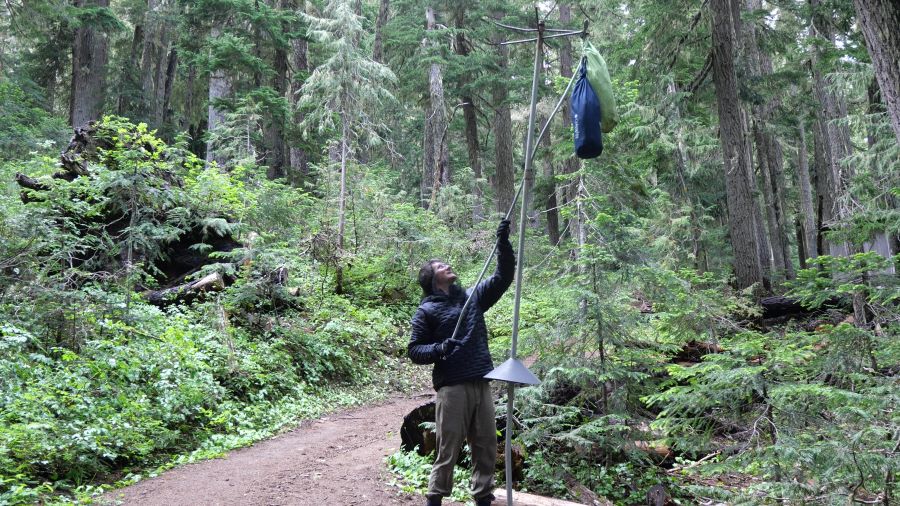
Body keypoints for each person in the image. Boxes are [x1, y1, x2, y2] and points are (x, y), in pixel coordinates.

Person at [408, 219, 515, 506]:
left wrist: (503, 244)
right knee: (448, 447)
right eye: (441, 266)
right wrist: (440, 348)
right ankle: (435, 498)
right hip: (452, 387)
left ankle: (483, 497)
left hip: (481, 381)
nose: (447, 266)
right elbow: (415, 350)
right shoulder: (426, 311)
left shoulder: (472, 299)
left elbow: (503, 277)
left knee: (486, 447)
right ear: (433, 278)